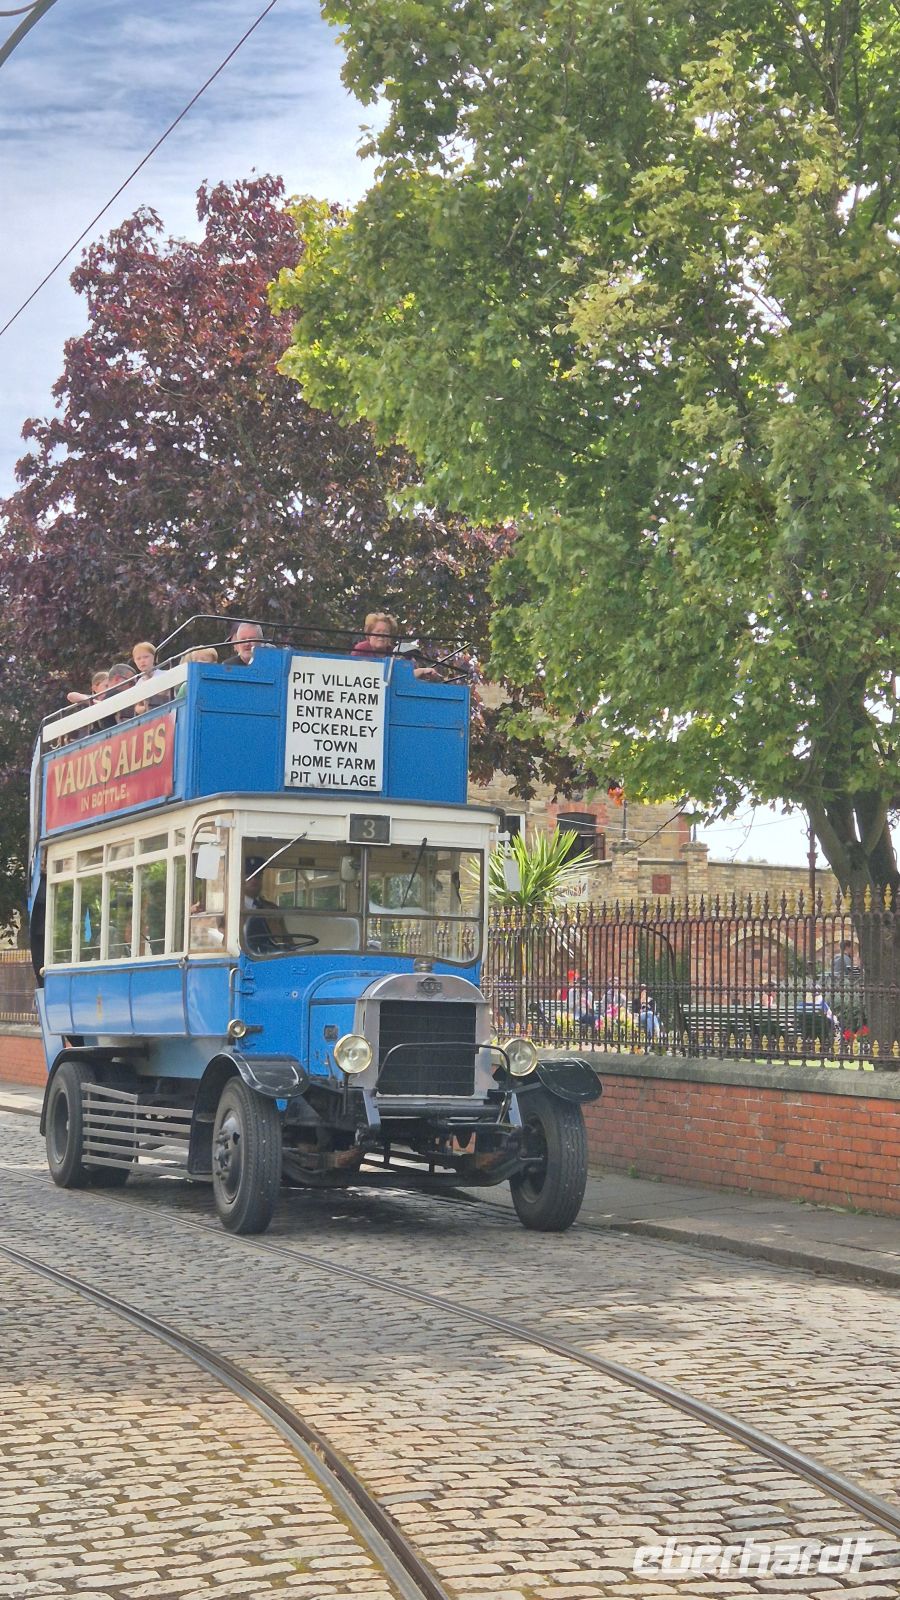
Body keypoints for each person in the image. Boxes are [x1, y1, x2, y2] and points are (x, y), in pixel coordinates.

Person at [352, 611, 442, 681]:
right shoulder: (362, 649)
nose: (381, 636)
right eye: (377, 632)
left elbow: (403, 677)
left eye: (386, 632)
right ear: (369, 634)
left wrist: (423, 672)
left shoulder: (396, 652)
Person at [243, 856, 289, 952]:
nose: (254, 880)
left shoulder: (272, 909)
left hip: (271, 958)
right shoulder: (232, 908)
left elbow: (287, 940)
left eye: (258, 876)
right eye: (249, 876)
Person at [132, 640, 169, 707]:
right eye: (138, 658)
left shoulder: (164, 675)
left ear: (155, 658)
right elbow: (138, 706)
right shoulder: (139, 683)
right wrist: (144, 708)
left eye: (146, 657)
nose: (142, 661)